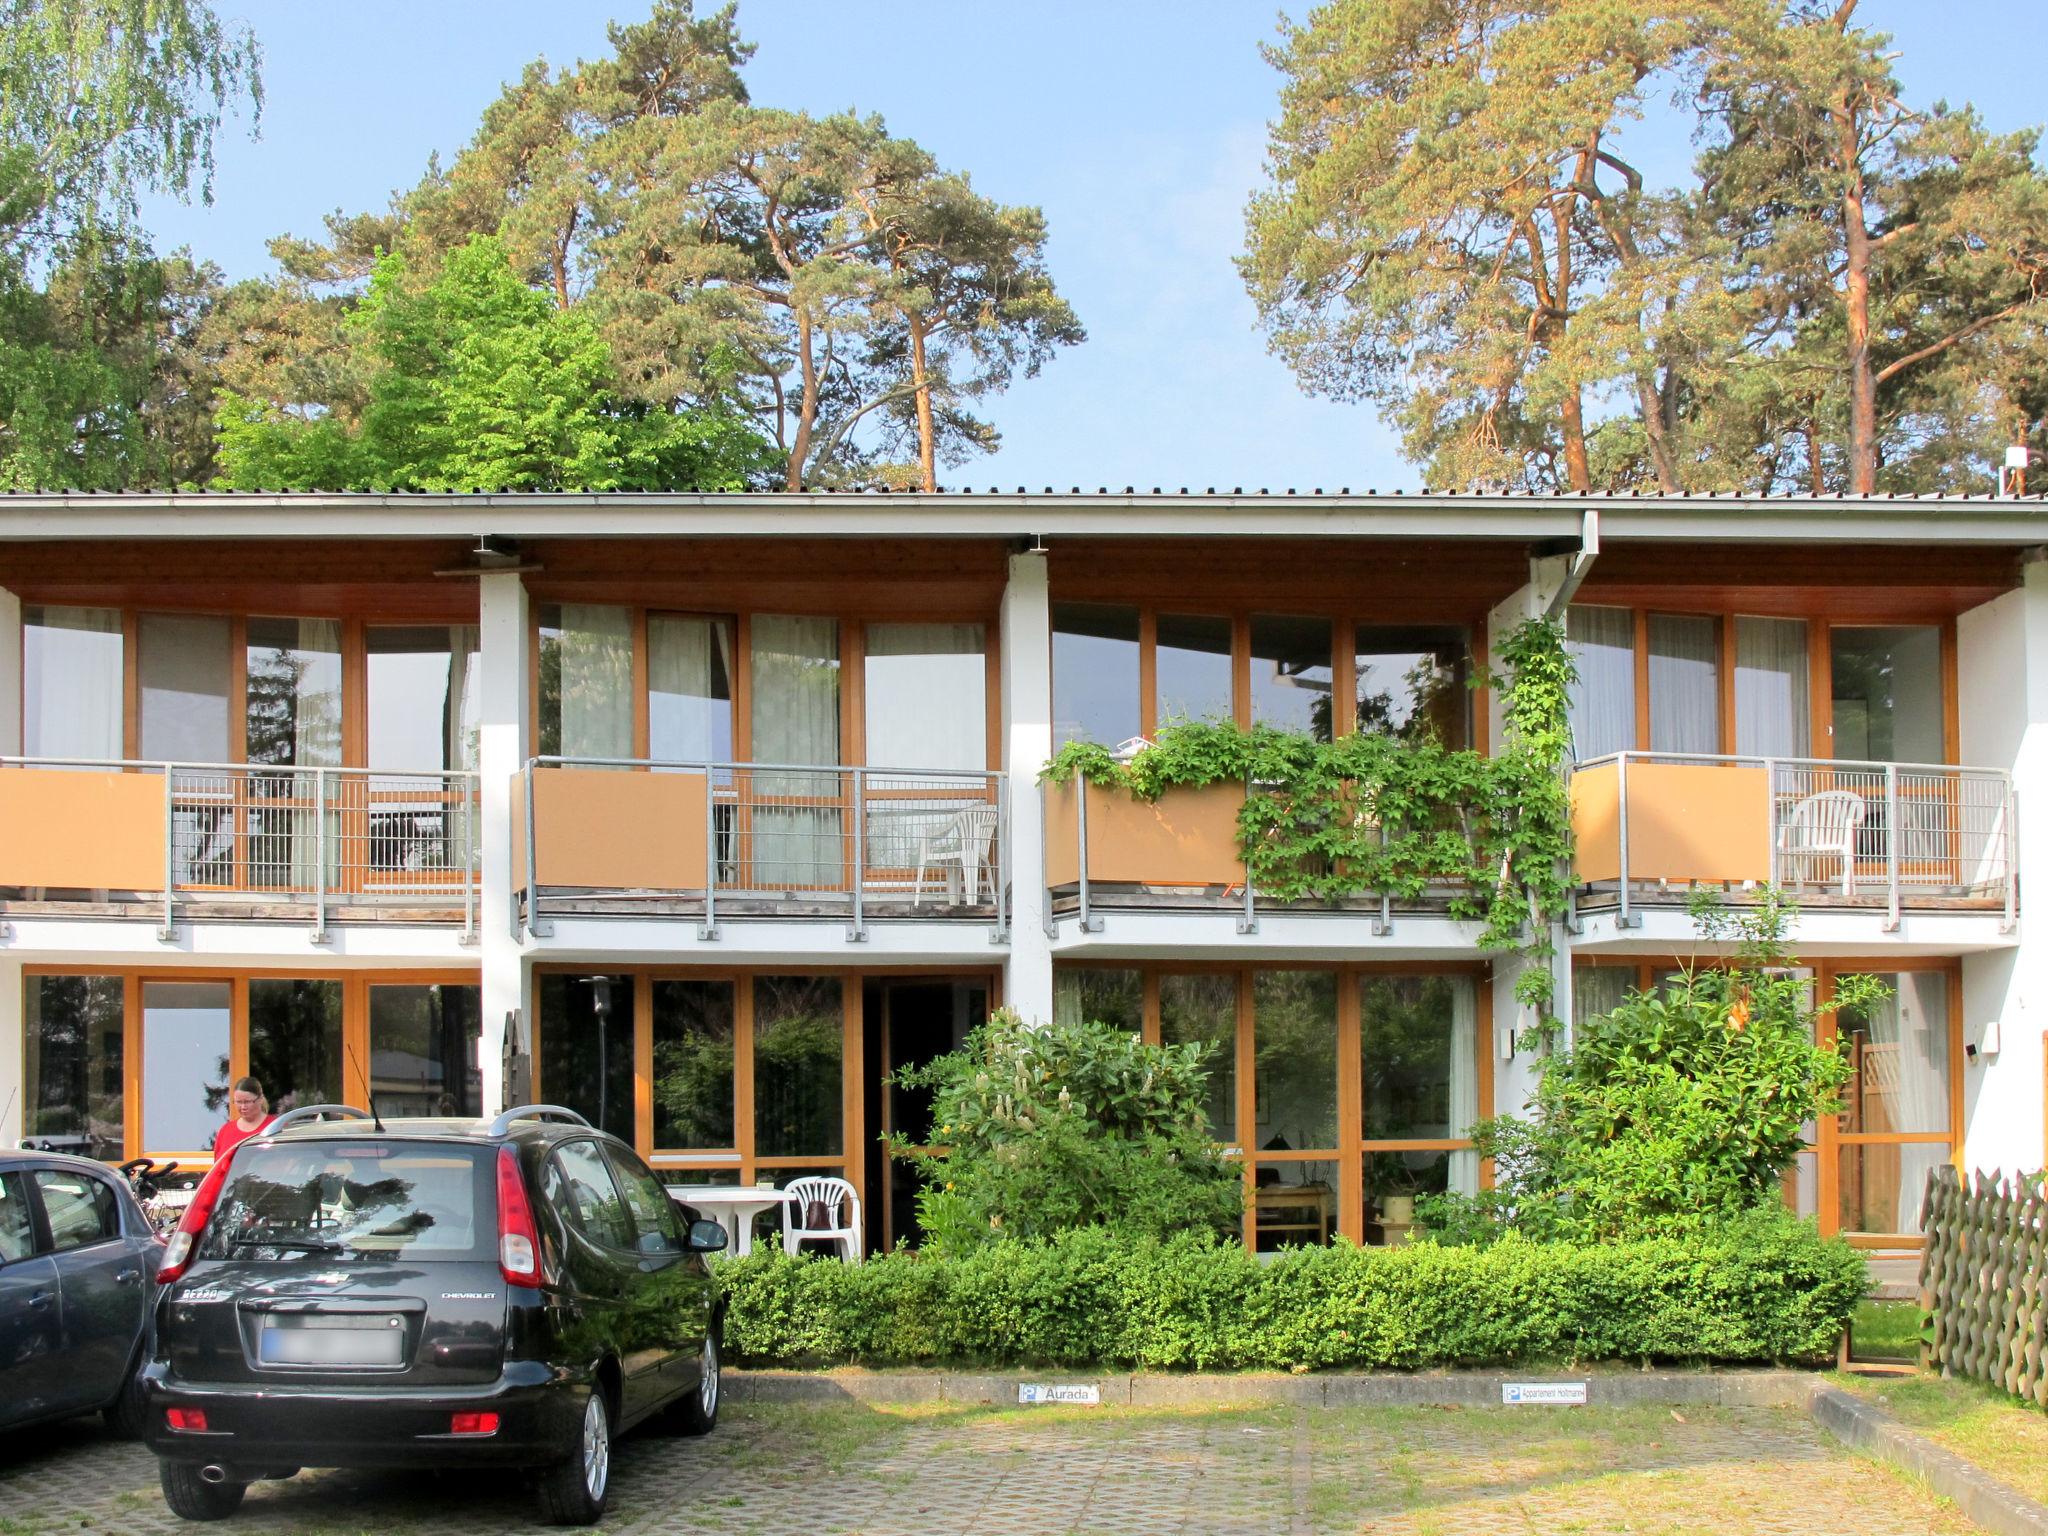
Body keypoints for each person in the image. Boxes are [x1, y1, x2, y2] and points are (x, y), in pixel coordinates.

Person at [213, 1077, 277, 1159]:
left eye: (247, 1102)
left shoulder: (275, 1126)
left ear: (260, 1099)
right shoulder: (225, 1131)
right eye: (238, 1102)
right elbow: (218, 1167)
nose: (243, 1107)